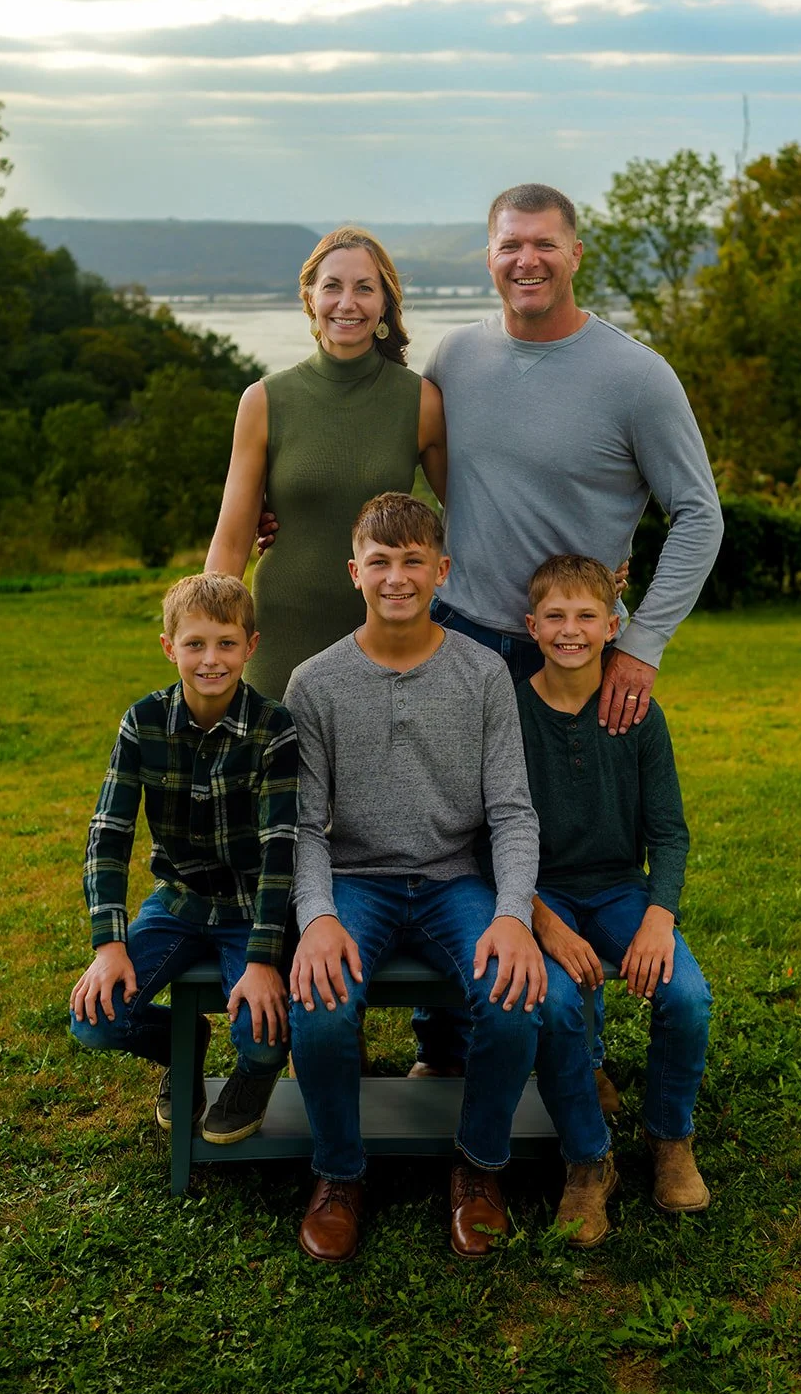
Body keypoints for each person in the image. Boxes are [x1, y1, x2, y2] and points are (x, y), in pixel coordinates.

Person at [413, 180, 723, 1080]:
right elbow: (397, 461)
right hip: (463, 640)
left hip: (578, 653)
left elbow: (698, 514)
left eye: (544, 244)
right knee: (449, 846)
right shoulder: (455, 357)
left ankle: (573, 1054)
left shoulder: (633, 375)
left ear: (575, 253)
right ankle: (449, 1043)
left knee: (575, 846)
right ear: (489, 256)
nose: (527, 260)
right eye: (510, 244)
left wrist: (644, 640)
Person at [283, 493, 616, 1262]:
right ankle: (338, 1174)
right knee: (322, 1005)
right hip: (355, 877)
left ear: (441, 570)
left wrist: (508, 914)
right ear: (353, 573)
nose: (395, 578)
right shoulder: (315, 682)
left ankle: (477, 1165)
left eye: (411, 563)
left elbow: (511, 811)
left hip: (453, 878)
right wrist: (319, 915)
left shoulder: (483, 673)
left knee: (511, 994)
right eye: (379, 562)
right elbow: (302, 824)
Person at [69, 573, 298, 1145]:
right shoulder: (142, 722)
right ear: (170, 647)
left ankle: (252, 1077)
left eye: (226, 643)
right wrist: (109, 945)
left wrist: (265, 958)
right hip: (179, 903)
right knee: (96, 1018)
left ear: (251, 646)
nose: (211, 660)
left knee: (267, 1036)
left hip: (250, 910)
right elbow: (108, 834)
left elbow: (280, 850)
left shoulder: (274, 728)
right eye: (195, 644)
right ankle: (184, 1045)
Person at [519, 553, 712, 1213]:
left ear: (611, 627)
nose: (569, 630)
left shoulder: (637, 715)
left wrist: (658, 917)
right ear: (531, 626)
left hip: (619, 889)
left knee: (685, 997)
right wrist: (542, 921)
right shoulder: (508, 715)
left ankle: (669, 1140)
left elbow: (670, 835)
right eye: (554, 617)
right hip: (537, 892)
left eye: (585, 616)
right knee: (554, 1006)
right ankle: (587, 1159)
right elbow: (485, 836)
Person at [205, 227, 447, 701]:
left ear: (384, 305)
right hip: (283, 633)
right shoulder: (264, 400)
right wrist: (207, 637)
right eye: (332, 286)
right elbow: (232, 540)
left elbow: (468, 517)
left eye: (364, 288)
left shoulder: (420, 401)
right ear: (310, 298)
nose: (347, 302)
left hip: (386, 633)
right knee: (279, 774)